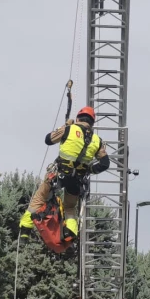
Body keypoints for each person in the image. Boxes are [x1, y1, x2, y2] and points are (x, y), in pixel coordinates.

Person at [19, 106, 110, 248]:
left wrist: (66, 125)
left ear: (78, 118)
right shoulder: (97, 141)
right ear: (92, 123)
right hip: (76, 179)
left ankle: (25, 230)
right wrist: (89, 170)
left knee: (39, 199)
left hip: (58, 174)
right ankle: (70, 234)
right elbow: (105, 164)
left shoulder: (69, 129)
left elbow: (48, 139)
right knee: (69, 208)